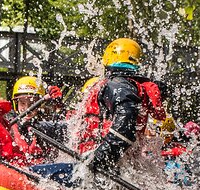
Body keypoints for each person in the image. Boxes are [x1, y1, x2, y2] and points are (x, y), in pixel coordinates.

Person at [71, 38, 167, 172]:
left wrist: (99, 158)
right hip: (119, 167)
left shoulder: (117, 85)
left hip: (103, 169)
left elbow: (125, 127)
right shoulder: (132, 86)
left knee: (38, 172)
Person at [8, 76, 64, 165]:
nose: (26, 109)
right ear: (15, 103)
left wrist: (60, 108)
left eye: (32, 103)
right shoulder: (7, 124)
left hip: (39, 172)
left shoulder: (44, 127)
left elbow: (68, 129)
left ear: (39, 105)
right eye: (22, 103)